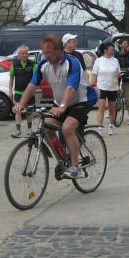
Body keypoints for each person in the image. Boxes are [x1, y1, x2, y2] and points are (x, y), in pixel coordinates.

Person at [13, 35, 97, 179]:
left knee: (67, 128)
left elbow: (71, 87)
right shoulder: (44, 64)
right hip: (60, 103)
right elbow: (32, 84)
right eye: (44, 52)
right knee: (46, 127)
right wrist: (21, 104)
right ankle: (63, 158)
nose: (45, 56)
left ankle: (75, 166)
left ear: (58, 51)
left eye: (49, 52)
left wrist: (63, 106)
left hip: (81, 100)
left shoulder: (72, 63)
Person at [91, 43, 120, 135]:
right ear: (105, 50)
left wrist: (117, 76)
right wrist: (92, 85)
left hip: (113, 88)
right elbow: (94, 74)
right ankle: (99, 128)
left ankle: (111, 125)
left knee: (112, 108)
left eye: (113, 50)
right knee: (101, 108)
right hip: (101, 87)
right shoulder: (98, 61)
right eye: (111, 50)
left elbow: (118, 73)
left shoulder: (115, 60)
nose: (113, 51)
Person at [8, 45, 36, 138]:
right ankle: (18, 131)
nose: (24, 55)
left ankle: (29, 130)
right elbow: (11, 78)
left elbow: (36, 79)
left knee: (29, 112)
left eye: (26, 53)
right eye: (22, 53)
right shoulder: (15, 64)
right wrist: (10, 91)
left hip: (29, 93)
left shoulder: (33, 64)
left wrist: (34, 90)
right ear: (19, 55)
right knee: (17, 111)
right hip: (18, 92)